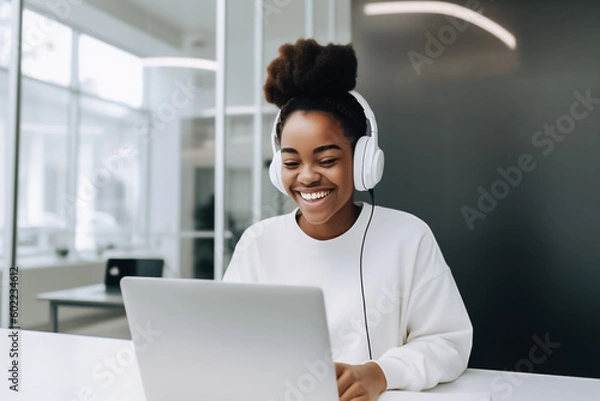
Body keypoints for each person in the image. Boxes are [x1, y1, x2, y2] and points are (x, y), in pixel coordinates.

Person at [224, 39, 473, 400]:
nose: (307, 177)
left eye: (326, 160)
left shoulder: (408, 236)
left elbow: (448, 343)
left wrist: (381, 373)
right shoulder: (258, 241)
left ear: (363, 162)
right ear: (278, 170)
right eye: (292, 163)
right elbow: (227, 337)